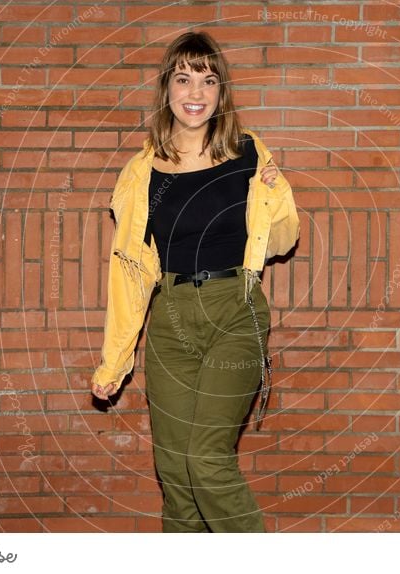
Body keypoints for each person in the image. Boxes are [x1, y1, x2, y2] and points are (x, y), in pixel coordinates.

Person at [90, 30, 300, 533]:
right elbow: (130, 273)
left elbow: (282, 242)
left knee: (205, 458)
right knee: (175, 470)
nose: (196, 93)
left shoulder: (249, 153)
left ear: (221, 91)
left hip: (235, 309)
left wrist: (279, 193)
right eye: (183, 79)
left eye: (208, 80)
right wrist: (115, 360)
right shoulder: (142, 173)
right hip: (170, 319)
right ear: (167, 89)